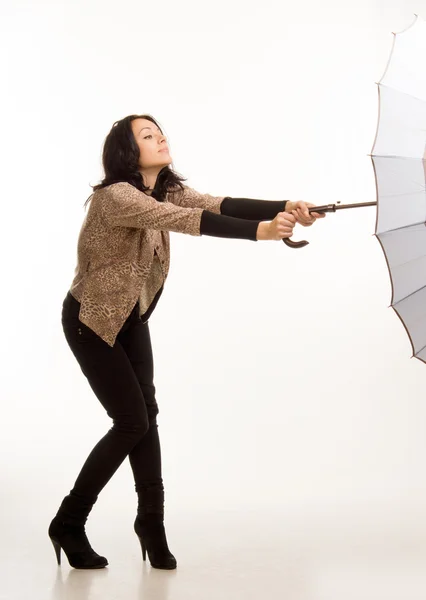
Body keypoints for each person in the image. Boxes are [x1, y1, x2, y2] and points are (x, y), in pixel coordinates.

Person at [48, 113, 326, 571]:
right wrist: (263, 232)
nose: (160, 138)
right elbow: (187, 220)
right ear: (126, 150)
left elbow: (219, 203)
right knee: (130, 421)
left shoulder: (165, 188)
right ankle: (69, 521)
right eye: (147, 135)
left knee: (146, 417)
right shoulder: (118, 197)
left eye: (160, 132)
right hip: (91, 321)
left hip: (130, 317)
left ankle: (151, 523)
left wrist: (290, 205)